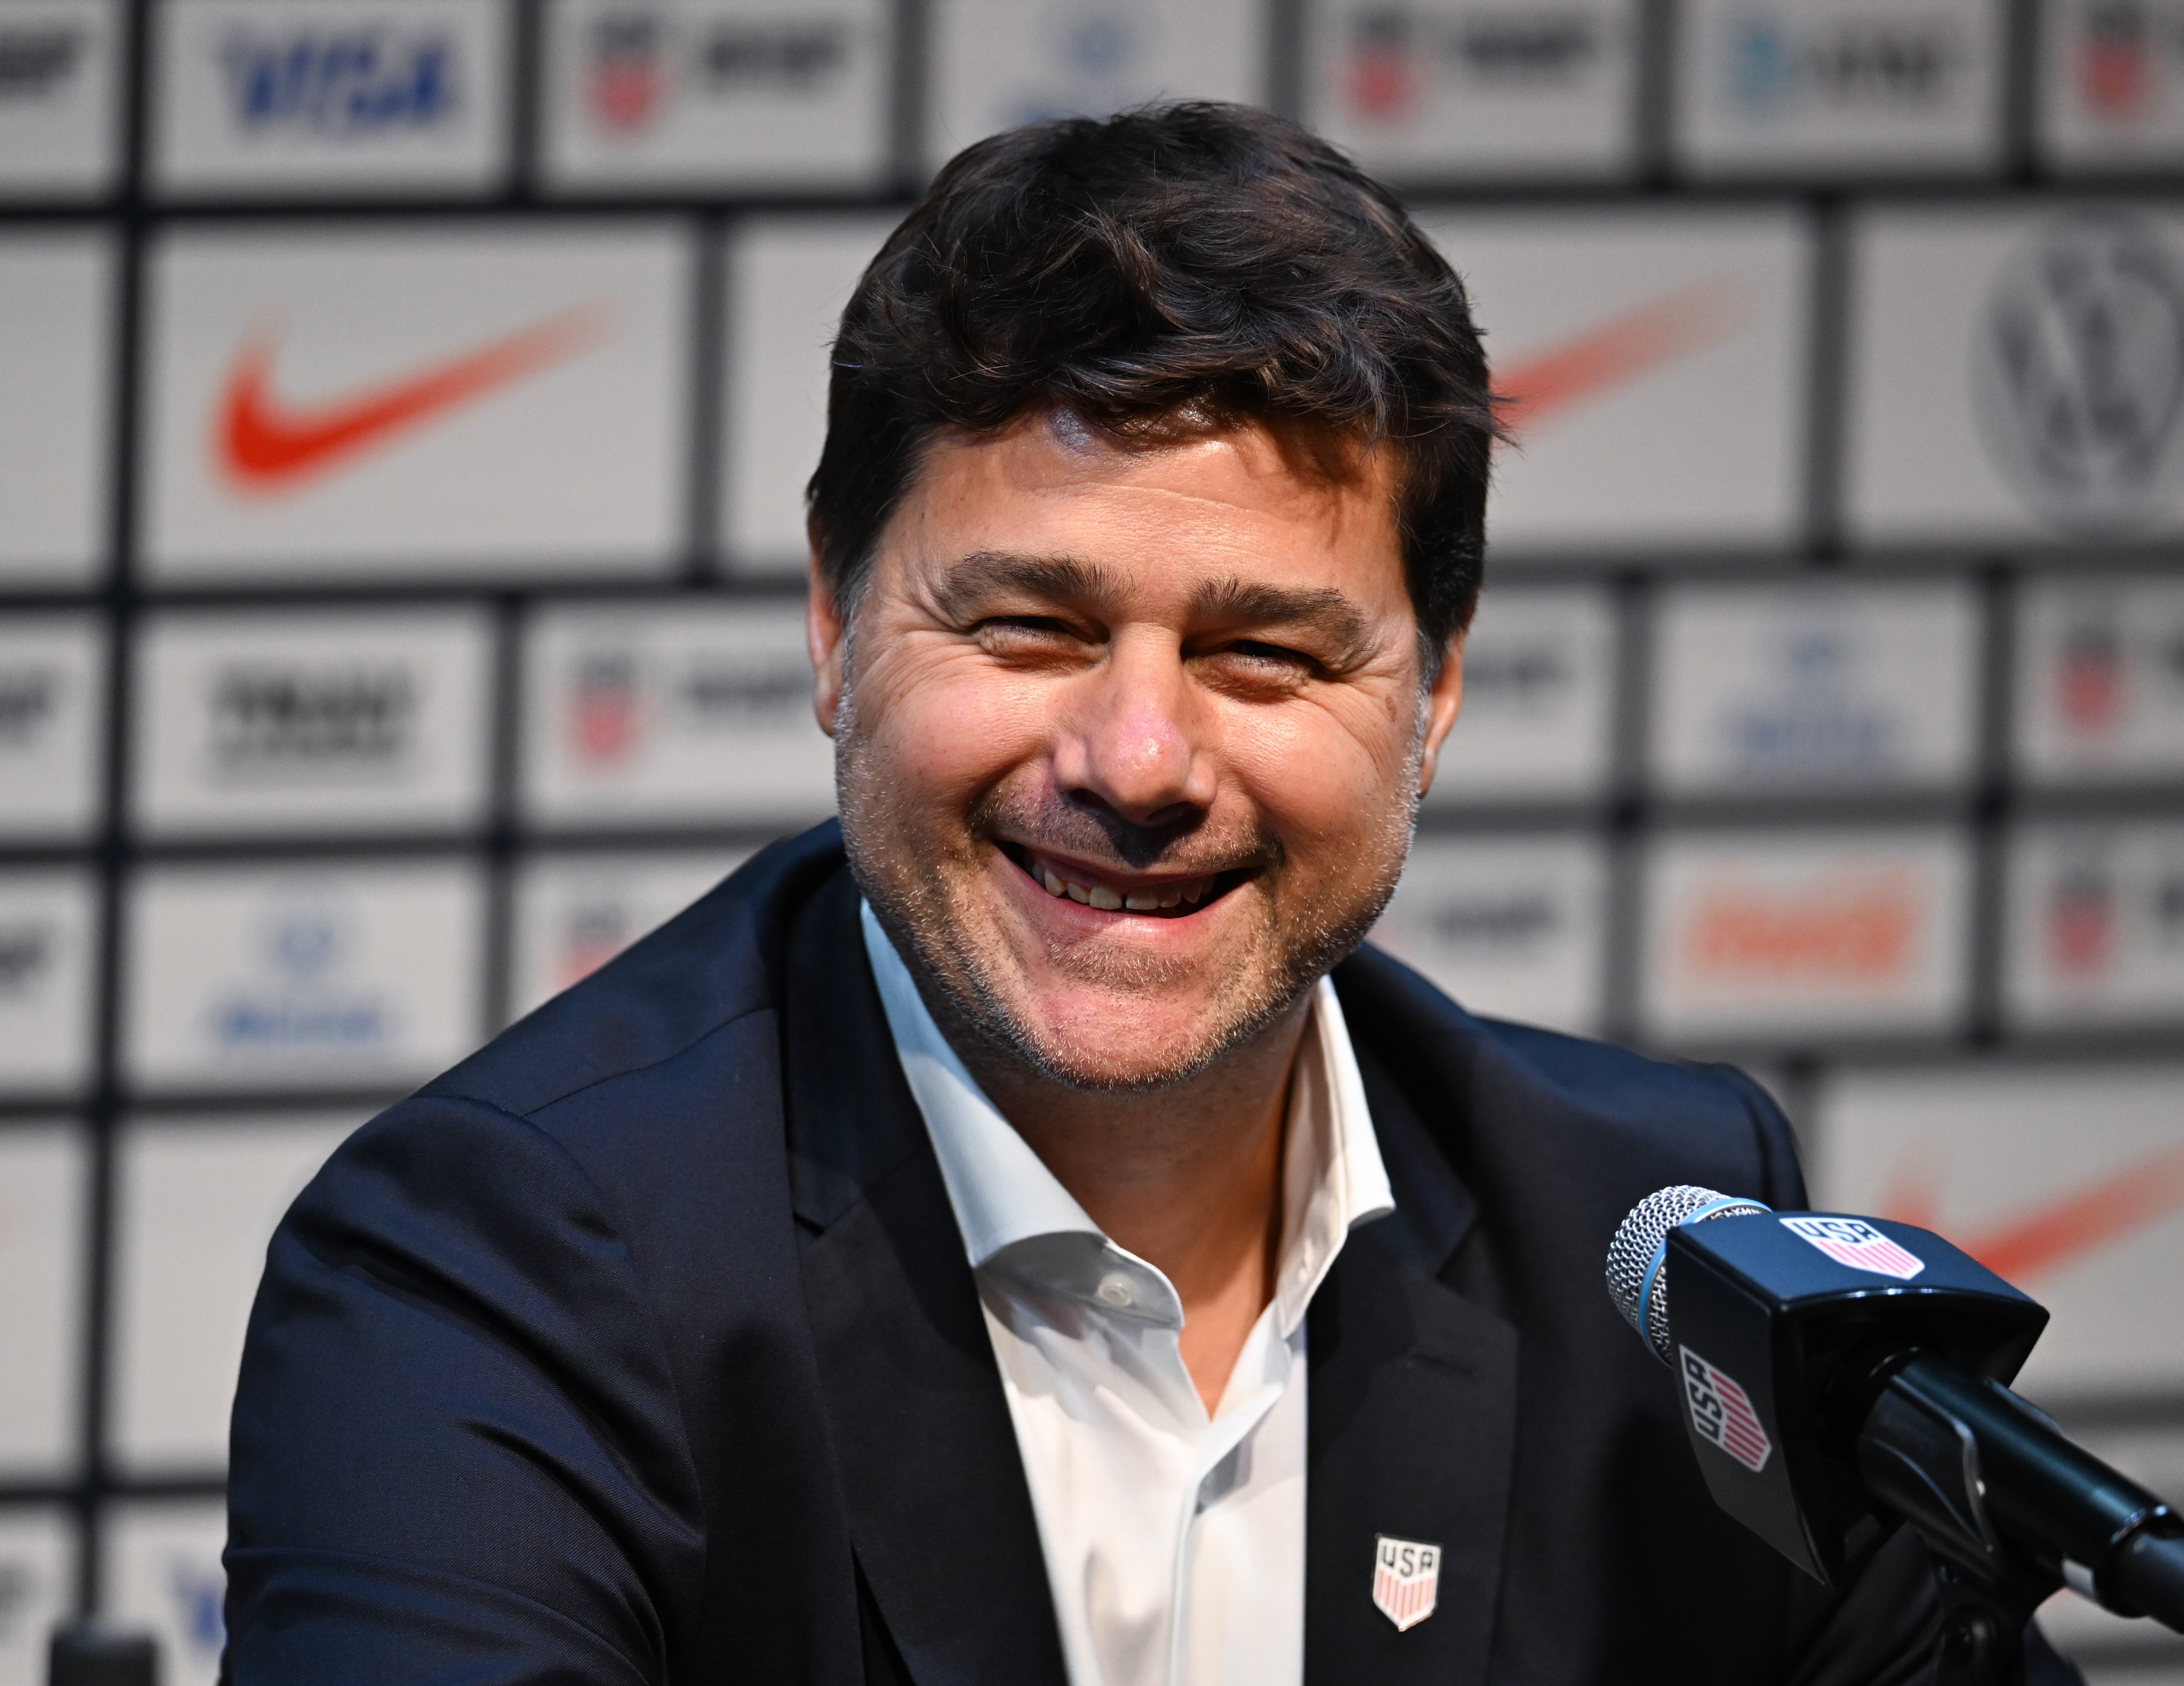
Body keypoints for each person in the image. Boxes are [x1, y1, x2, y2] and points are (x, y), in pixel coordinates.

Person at [221, 104, 2077, 1686]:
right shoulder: (494, 1269)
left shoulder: (1663, 1254)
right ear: (831, 623)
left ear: (1428, 693)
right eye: (1029, 624)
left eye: (1263, 652)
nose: (1134, 758)